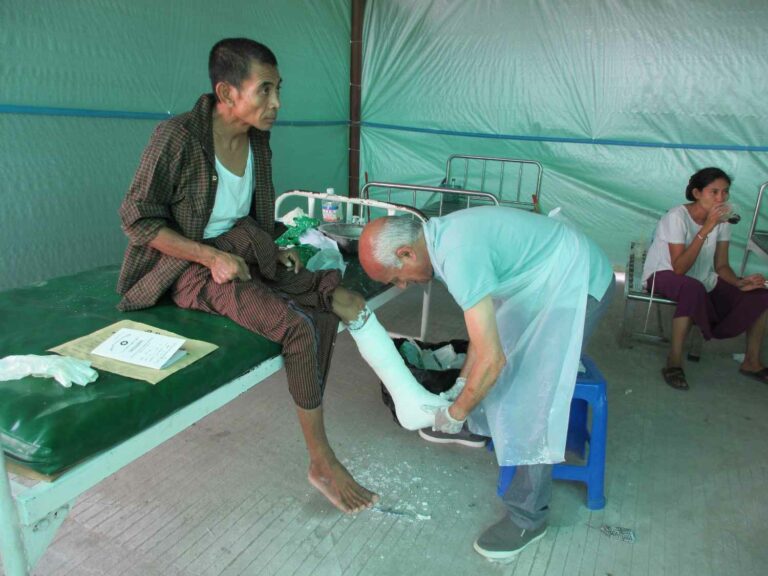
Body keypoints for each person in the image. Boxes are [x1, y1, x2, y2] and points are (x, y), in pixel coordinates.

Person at [117, 38, 380, 514]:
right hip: (188, 267)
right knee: (297, 327)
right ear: (227, 92)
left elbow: (251, 215)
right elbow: (136, 219)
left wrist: (277, 247)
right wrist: (208, 257)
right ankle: (321, 461)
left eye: (278, 90)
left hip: (245, 249)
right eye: (265, 90)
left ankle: (329, 424)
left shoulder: (257, 138)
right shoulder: (177, 137)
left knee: (332, 310)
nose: (276, 103)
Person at [358, 206, 615, 560]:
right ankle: (477, 425)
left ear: (406, 253)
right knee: (499, 357)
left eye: (396, 277)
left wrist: (457, 411)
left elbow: (493, 359)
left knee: (532, 396)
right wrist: (460, 387)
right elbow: (484, 333)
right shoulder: (441, 241)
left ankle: (528, 517)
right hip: (544, 277)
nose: (402, 285)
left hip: (577, 280)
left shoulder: (457, 255)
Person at [642, 167, 768, 390]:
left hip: (701, 278)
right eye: (714, 192)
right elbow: (679, 268)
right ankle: (674, 361)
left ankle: (751, 361)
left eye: (725, 192)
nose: (721, 198)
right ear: (697, 193)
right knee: (692, 289)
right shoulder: (677, 217)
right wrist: (707, 227)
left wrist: (739, 282)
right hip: (663, 274)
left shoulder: (724, 221)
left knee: (760, 294)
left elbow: (721, 265)